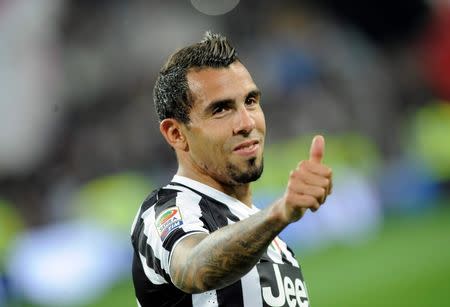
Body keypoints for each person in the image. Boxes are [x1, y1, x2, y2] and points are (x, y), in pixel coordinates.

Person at [130, 31, 333, 307]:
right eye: (221, 109)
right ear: (176, 133)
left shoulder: (273, 245)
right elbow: (192, 266)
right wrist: (280, 213)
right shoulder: (165, 210)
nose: (247, 122)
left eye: (250, 101)